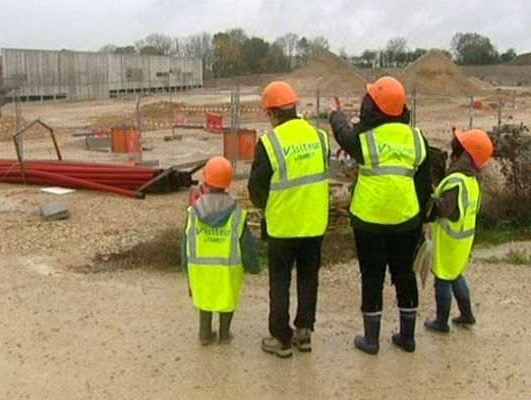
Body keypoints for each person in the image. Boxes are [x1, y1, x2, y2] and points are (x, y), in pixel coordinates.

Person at [329, 76, 432, 354]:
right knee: (405, 275)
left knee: (372, 277)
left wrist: (335, 116)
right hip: (406, 219)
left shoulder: (364, 138)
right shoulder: (417, 139)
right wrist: (421, 219)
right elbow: (423, 184)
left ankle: (371, 340)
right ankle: (407, 337)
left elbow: (343, 134)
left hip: (369, 220)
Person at [248, 81, 329, 358]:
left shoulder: (269, 143)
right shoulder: (319, 138)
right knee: (308, 278)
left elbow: (256, 188)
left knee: (280, 281)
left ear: (272, 113)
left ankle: (280, 338)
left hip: (283, 226)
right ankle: (304, 332)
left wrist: (268, 206)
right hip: (314, 223)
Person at [181, 156, 260, 345]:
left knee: (205, 302)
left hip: (201, 272)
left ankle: (205, 333)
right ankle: (225, 334)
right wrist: (252, 266)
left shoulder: (193, 213)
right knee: (227, 302)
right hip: (227, 271)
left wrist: (186, 267)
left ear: (205, 181)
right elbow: (246, 244)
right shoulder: (236, 214)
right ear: (228, 184)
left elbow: (186, 243)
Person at [424, 129, 493, 333]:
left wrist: (431, 201)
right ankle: (467, 314)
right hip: (464, 239)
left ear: (463, 155)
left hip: (448, 240)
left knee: (443, 278)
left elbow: (445, 209)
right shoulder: (472, 181)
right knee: (456, 275)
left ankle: (441, 322)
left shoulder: (456, 181)